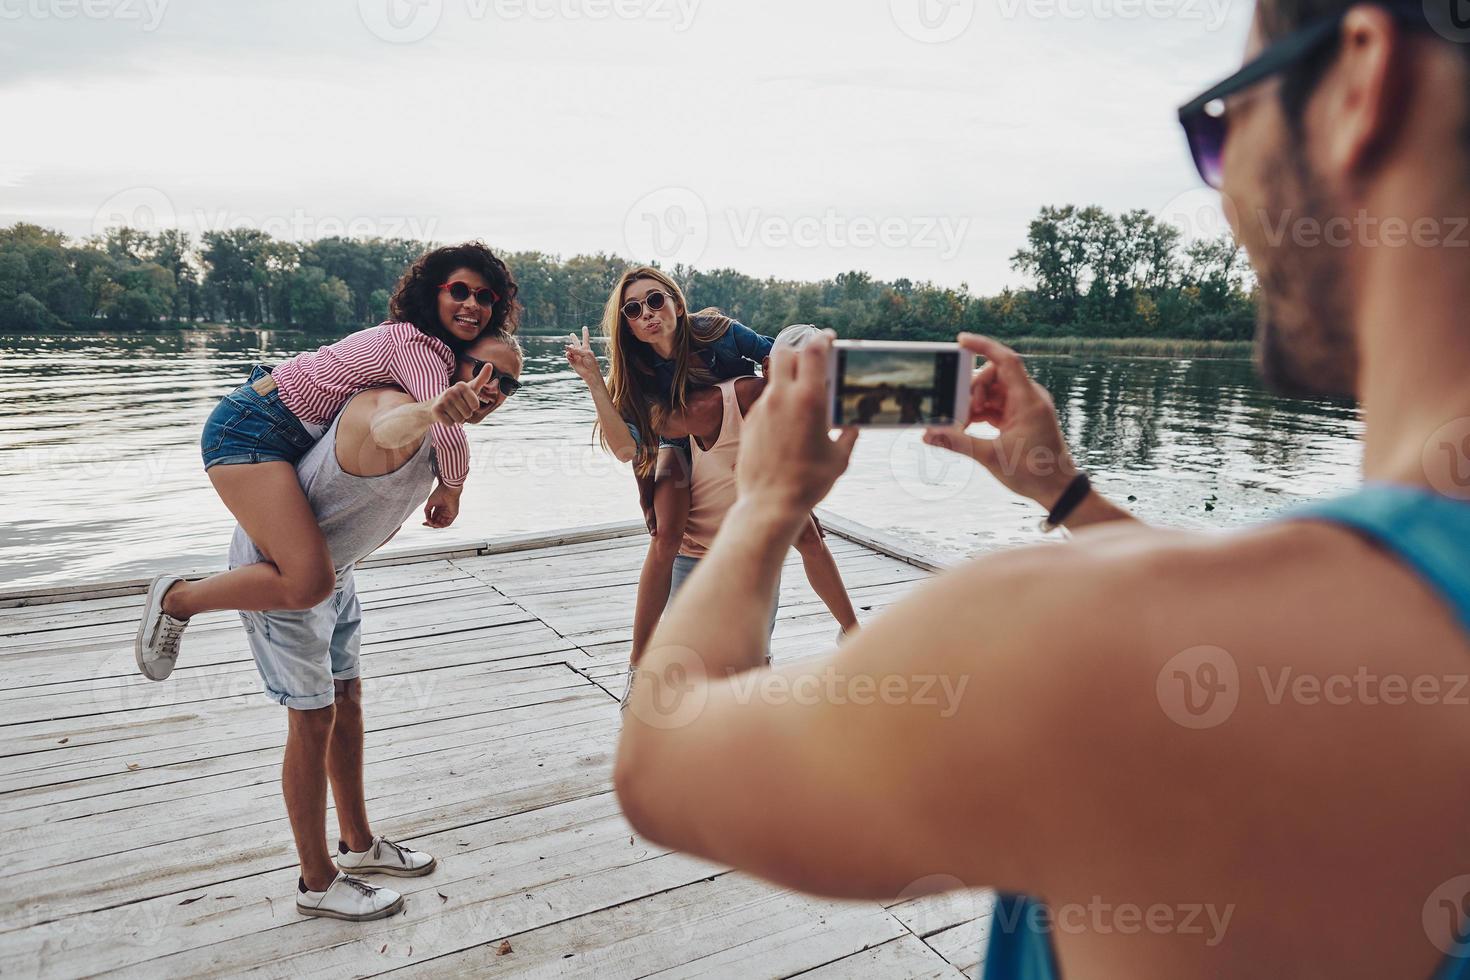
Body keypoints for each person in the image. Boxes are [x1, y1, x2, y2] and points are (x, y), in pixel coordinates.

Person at [615, 2, 1470, 976]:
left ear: (1359, 82)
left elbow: (662, 757)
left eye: (1219, 132)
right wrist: (1066, 494)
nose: (1228, 197)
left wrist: (767, 502)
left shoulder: (1069, 648)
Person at [174, 331, 519, 922]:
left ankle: (358, 845)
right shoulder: (387, 403)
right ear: (444, 365)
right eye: (482, 370)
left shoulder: (448, 442)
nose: (493, 388)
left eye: (509, 381)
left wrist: (451, 478)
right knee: (311, 722)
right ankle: (316, 881)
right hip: (280, 573)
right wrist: (434, 412)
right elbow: (388, 428)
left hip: (339, 572)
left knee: (346, 703)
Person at [134, 243, 520, 682]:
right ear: (433, 294)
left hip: (286, 429)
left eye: (486, 296)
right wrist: (452, 488)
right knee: (308, 583)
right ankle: (178, 599)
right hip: (251, 429)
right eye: (460, 291)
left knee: (318, 579)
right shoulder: (420, 348)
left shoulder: (435, 351)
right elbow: (441, 422)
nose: (472, 303)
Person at [563, 267, 774, 663]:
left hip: (738, 439)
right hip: (679, 446)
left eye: (655, 300)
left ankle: (768, 654)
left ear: (676, 302)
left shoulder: (717, 332)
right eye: (633, 308)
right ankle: (638, 664)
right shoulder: (636, 372)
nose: (647, 312)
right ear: (627, 325)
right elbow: (629, 450)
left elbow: (774, 353)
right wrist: (594, 380)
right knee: (665, 536)